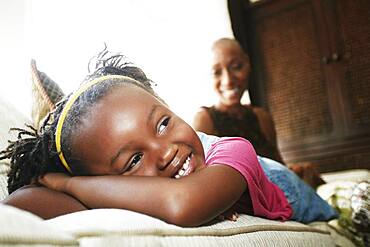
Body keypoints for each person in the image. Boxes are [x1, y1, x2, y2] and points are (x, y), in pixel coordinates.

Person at [0, 49, 337, 226]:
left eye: (162, 124)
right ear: (106, 181)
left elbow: (182, 203)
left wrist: (68, 185)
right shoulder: (120, 190)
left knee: (322, 195)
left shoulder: (235, 151)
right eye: (133, 161)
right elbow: (18, 207)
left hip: (280, 183)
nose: (165, 152)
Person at [192, 38, 325, 188]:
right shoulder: (204, 120)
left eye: (236, 66)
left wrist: (297, 173)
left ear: (248, 64)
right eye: (216, 72)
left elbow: (278, 168)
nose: (228, 80)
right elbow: (205, 186)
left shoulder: (262, 117)